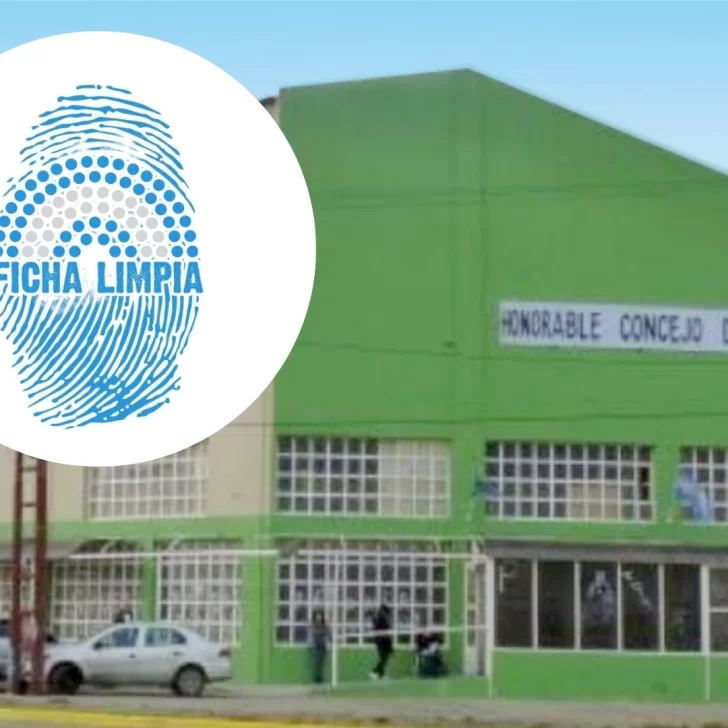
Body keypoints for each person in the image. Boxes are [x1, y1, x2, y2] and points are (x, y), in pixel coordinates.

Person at [369, 602, 393, 680]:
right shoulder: (381, 617)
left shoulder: (380, 617)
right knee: (383, 658)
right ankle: (374, 671)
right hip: (382, 640)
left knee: (384, 658)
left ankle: (381, 674)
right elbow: (385, 628)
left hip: (383, 640)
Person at [309, 610, 330, 685]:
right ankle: (317, 679)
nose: (319, 617)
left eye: (320, 616)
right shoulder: (313, 626)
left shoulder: (324, 626)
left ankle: (320, 678)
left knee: (321, 663)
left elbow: (329, 634)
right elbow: (313, 635)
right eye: (317, 616)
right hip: (316, 646)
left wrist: (328, 641)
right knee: (317, 663)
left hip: (323, 646)